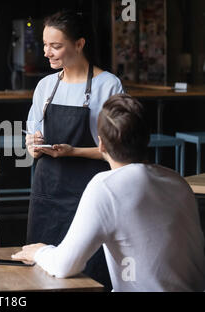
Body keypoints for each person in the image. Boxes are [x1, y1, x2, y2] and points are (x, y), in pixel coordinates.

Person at [14, 94, 205, 291]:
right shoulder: (177, 181)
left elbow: (64, 266)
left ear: (101, 144)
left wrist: (39, 252)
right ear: (147, 139)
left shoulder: (105, 187)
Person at [25, 10, 124, 288]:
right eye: (45, 45)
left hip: (90, 188)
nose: (47, 53)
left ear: (79, 44)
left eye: (55, 46)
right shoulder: (45, 86)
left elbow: (117, 152)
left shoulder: (109, 85)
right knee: (39, 266)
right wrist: (33, 146)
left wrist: (74, 152)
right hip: (47, 189)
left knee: (88, 270)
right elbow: (32, 137)